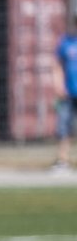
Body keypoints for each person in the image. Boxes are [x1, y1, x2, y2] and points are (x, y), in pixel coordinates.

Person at [51, 13, 77, 173]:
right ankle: (62, 161)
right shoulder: (65, 42)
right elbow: (57, 65)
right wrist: (58, 84)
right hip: (68, 92)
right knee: (64, 127)